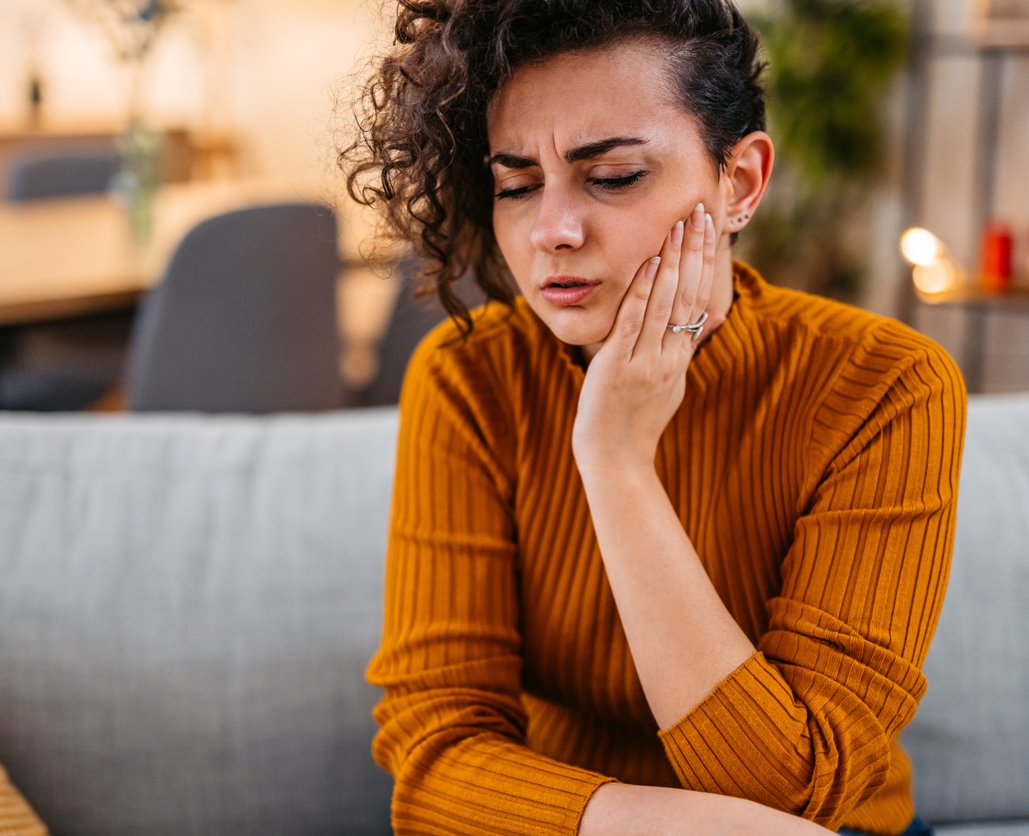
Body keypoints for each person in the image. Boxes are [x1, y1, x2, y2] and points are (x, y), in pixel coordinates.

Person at [341, 1, 966, 833]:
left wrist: (618, 462)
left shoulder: (886, 387)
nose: (552, 231)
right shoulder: (469, 378)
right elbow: (435, 761)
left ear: (739, 181)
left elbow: (799, 792)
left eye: (613, 178)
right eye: (517, 185)